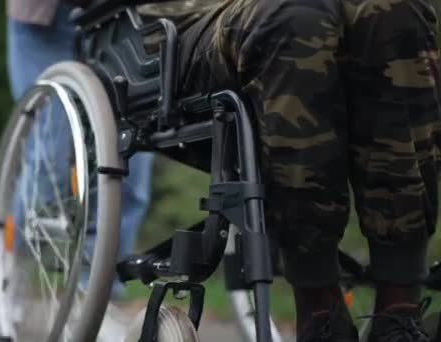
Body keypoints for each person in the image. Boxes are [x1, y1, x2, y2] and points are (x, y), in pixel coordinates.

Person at [135, 0, 440, 340]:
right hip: (188, 25)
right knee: (296, 14)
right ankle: (320, 311)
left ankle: (398, 312)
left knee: (395, 9)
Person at [5, 0, 155, 295]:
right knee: (54, 153)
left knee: (131, 168)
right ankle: (12, 256)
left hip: (125, 20)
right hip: (48, 21)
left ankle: (97, 295)